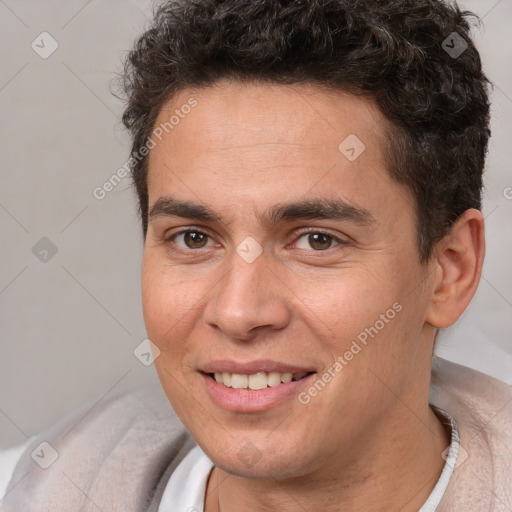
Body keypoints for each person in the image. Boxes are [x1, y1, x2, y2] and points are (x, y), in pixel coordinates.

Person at [2, 0, 511, 510]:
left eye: (317, 240)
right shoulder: (27, 486)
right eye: (194, 238)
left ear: (451, 270)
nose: (238, 313)